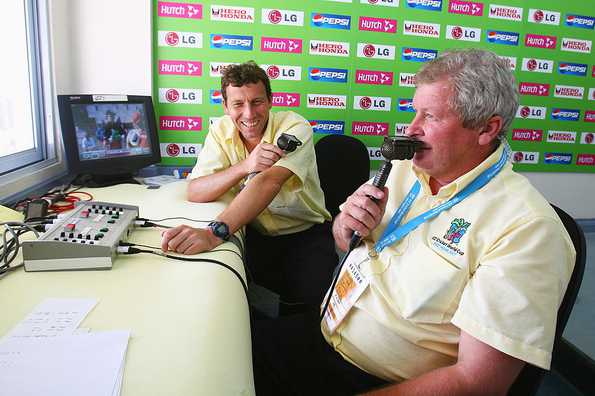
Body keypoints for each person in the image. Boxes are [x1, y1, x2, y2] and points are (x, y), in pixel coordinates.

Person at [252, 49, 576, 395]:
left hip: (379, 381)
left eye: (431, 117)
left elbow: (477, 382)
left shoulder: (527, 229)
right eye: (414, 112)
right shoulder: (404, 169)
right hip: (323, 334)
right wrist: (344, 232)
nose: (411, 129)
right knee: (217, 353)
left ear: (487, 128)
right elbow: (345, 246)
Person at [161, 61, 338, 313]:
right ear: (225, 106)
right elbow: (196, 190)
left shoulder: (295, 126)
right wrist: (246, 165)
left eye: (257, 102)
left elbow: (269, 181)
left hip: (305, 234)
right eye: (238, 104)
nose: (249, 114)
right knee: (235, 302)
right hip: (255, 235)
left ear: (270, 101)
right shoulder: (220, 130)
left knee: (309, 310)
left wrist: (212, 235)